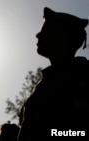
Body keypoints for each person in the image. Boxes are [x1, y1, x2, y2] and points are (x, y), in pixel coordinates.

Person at [17, 7, 89, 141]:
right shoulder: (48, 80)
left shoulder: (81, 76)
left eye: (46, 31)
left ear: (63, 37)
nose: (38, 35)